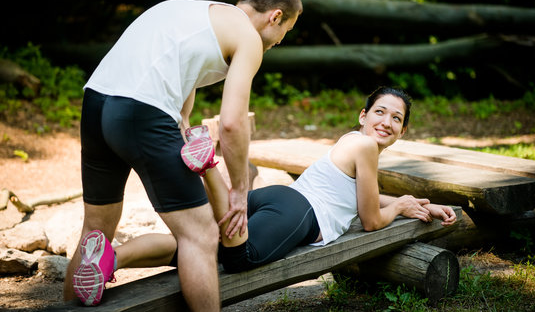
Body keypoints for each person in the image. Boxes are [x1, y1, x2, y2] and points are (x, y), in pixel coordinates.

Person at [63, 0, 302, 312]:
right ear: (276, 16)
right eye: (284, 32)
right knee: (201, 235)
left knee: (94, 234)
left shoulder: (194, 12)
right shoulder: (247, 37)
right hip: (140, 112)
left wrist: (184, 126)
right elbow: (232, 123)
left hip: (97, 101)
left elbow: (181, 80)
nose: (279, 41)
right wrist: (239, 189)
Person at [94, 86, 458, 280]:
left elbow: (365, 197)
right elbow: (371, 220)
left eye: (397, 118)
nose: (387, 121)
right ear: (363, 116)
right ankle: (208, 168)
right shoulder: (366, 147)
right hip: (298, 212)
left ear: (403, 130)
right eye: (380, 111)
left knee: (198, 244)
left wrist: (419, 203)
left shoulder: (353, 141)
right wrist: (398, 207)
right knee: (240, 258)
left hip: (279, 201)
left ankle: (112, 258)